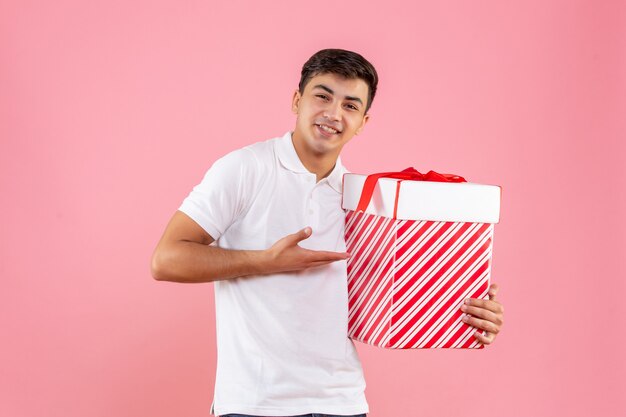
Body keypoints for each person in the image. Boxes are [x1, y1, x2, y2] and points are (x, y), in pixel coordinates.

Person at [151, 48, 504, 417]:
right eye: (322, 96)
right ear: (296, 100)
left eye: (350, 106)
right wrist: (266, 262)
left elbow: (391, 292)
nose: (333, 114)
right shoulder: (245, 168)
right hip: (253, 403)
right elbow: (166, 260)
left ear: (363, 121)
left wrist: (467, 313)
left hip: (342, 402)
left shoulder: (363, 201)